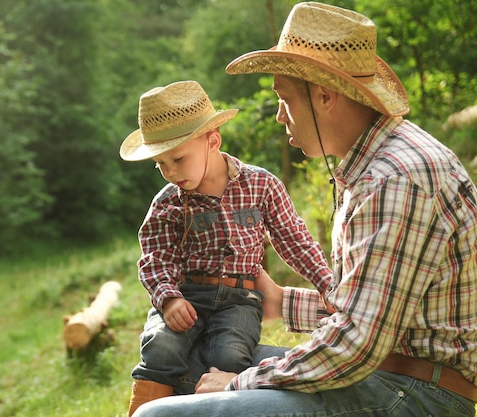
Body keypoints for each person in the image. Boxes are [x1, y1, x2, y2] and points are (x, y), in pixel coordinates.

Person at [133, 3, 477, 417]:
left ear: (325, 97)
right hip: (384, 368)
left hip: (414, 393)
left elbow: (356, 343)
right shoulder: (373, 167)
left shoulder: (396, 177)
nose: (280, 116)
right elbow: (373, 308)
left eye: (285, 99)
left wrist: (240, 382)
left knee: (161, 414)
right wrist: (280, 301)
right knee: (195, 363)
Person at [119, 80, 333, 416]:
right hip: (186, 294)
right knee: (162, 346)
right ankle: (143, 410)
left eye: (177, 159)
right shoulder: (167, 203)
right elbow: (154, 258)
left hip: (240, 298)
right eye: (160, 164)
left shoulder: (261, 185)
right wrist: (168, 297)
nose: (170, 172)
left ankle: (214, 408)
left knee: (231, 356)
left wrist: (326, 282)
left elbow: (294, 238)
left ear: (212, 141)